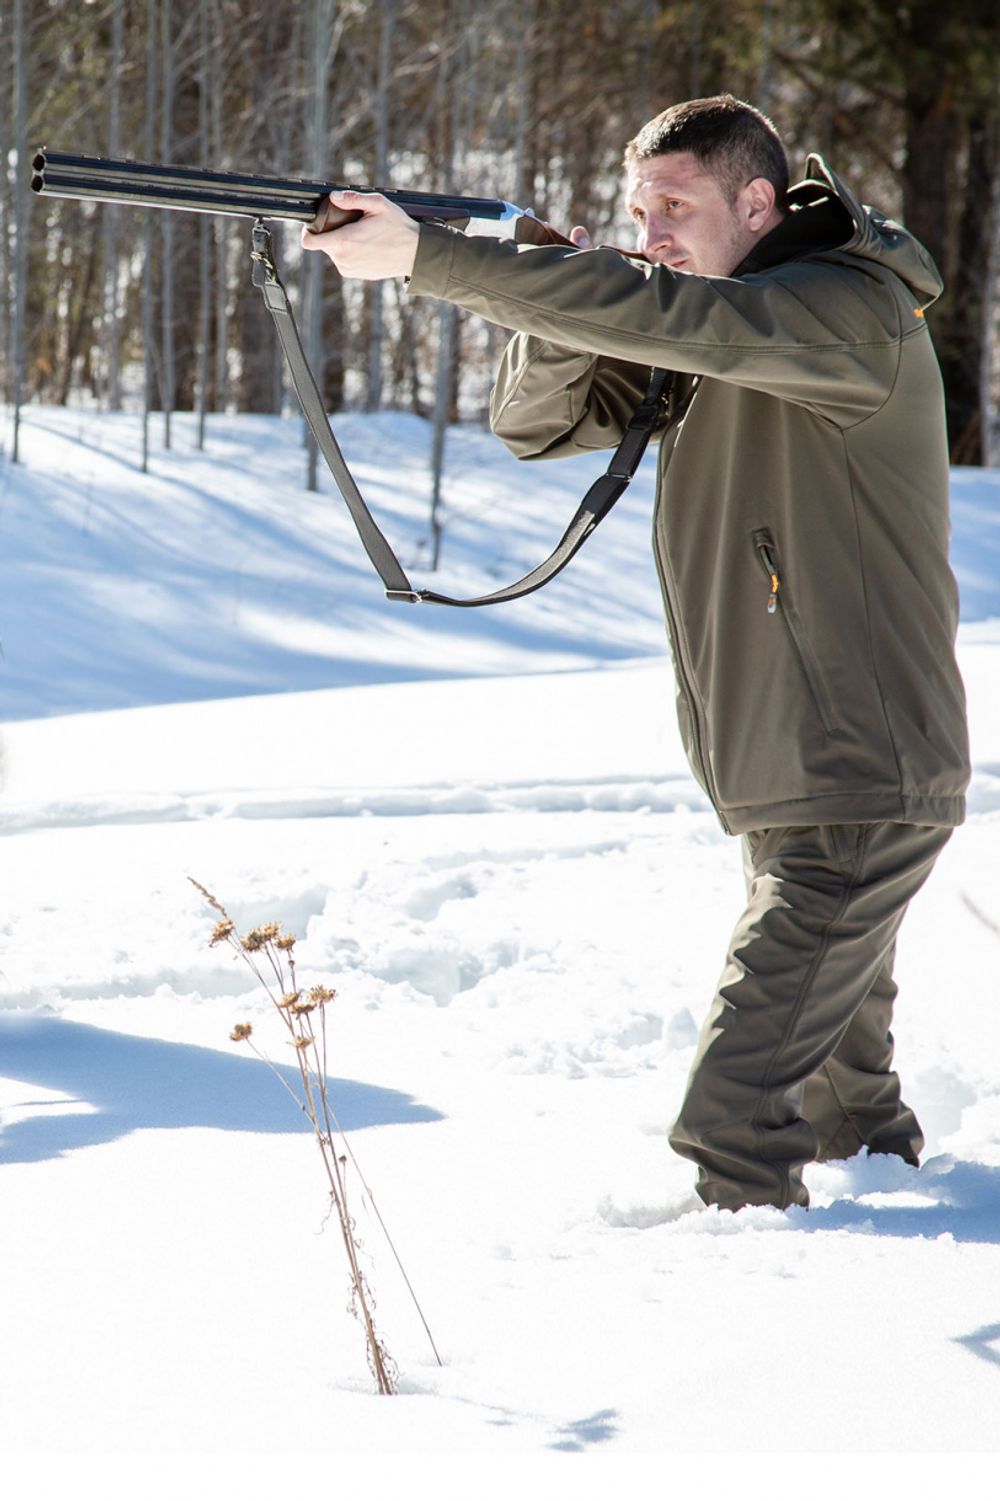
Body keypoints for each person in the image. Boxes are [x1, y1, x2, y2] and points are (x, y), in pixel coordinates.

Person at [302, 94, 971, 1212]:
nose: (650, 229)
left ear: (757, 203)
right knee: (845, 1113)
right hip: (797, 776)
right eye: (636, 209)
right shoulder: (730, 325)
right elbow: (537, 424)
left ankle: (773, 1333)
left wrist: (428, 257)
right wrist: (555, 295)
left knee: (732, 1123)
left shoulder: (838, 314)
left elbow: (668, 312)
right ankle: (905, 1255)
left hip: (856, 774)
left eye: (676, 206)